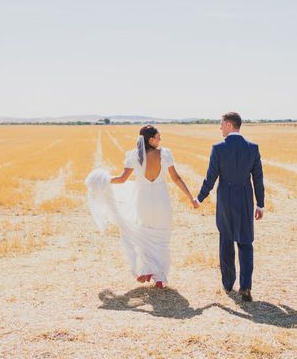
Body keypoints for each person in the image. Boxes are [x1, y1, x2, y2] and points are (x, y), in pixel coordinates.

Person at [85, 125, 197, 288]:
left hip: (142, 202)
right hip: (161, 201)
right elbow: (176, 178)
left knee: (145, 235)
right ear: (150, 139)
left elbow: (122, 179)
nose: (160, 140)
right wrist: (191, 197)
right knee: (162, 239)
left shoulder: (133, 156)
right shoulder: (165, 154)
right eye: (158, 137)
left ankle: (147, 271)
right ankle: (160, 277)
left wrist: (104, 179)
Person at [195, 112, 265, 301]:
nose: (219, 128)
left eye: (221, 124)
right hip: (245, 199)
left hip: (225, 199)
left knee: (226, 241)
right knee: (245, 243)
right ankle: (246, 286)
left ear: (228, 124)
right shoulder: (252, 148)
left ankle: (228, 283)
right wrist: (260, 205)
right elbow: (258, 178)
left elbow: (211, 177)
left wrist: (199, 198)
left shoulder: (218, 148)